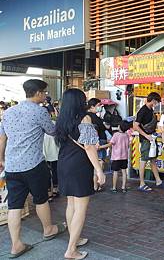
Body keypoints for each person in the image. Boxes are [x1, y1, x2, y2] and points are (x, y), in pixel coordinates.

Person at [0, 79, 65, 258]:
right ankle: (48, 229)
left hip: (12, 166)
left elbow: (2, 138)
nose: (45, 96)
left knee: (14, 205)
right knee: (41, 199)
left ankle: (16, 245)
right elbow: (52, 132)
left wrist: (1, 159)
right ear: (37, 93)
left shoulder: (9, 112)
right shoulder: (39, 111)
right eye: (44, 93)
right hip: (33, 165)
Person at [55, 88, 106, 260]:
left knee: (71, 204)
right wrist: (99, 170)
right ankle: (71, 250)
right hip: (79, 165)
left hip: (63, 163)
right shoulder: (85, 118)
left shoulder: (61, 119)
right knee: (81, 208)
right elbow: (90, 147)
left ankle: (74, 240)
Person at [134, 92, 164, 192]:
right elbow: (135, 125)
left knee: (153, 159)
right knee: (144, 159)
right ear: (153, 100)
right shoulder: (142, 111)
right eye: (157, 101)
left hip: (152, 139)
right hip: (146, 140)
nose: (157, 104)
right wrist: (146, 135)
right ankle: (142, 183)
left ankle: (158, 180)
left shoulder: (151, 109)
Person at [86, 98, 108, 192]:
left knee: (96, 164)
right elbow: (99, 129)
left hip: (97, 142)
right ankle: (96, 185)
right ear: (92, 106)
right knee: (98, 164)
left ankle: (95, 185)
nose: (100, 107)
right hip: (98, 142)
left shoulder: (91, 116)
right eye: (99, 105)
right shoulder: (91, 117)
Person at [103, 121, 130, 193]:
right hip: (124, 157)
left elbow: (110, 144)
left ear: (119, 127)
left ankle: (114, 187)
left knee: (115, 172)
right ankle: (123, 187)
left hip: (116, 157)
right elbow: (128, 146)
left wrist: (100, 147)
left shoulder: (116, 135)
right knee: (124, 171)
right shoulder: (127, 135)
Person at [43, 109, 59, 200]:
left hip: (49, 152)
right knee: (51, 172)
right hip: (51, 152)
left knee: (51, 172)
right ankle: (52, 191)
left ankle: (53, 191)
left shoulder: (53, 123)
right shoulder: (53, 123)